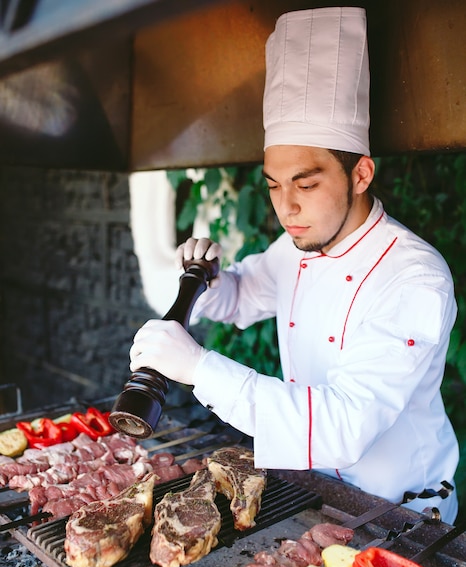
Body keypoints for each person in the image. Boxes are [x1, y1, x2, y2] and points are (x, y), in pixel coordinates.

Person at [129, 7, 459, 524]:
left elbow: (343, 429)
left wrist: (199, 369)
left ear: (361, 174)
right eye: (273, 185)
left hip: (403, 516)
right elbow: (240, 296)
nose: (287, 208)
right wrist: (205, 278)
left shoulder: (415, 278)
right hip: (317, 493)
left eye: (306, 184)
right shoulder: (297, 245)